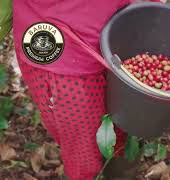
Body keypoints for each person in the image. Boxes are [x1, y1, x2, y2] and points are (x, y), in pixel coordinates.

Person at [12, 0, 133, 179]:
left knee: (126, 125)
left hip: (125, 26)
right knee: (85, 151)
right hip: (66, 52)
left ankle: (119, 170)